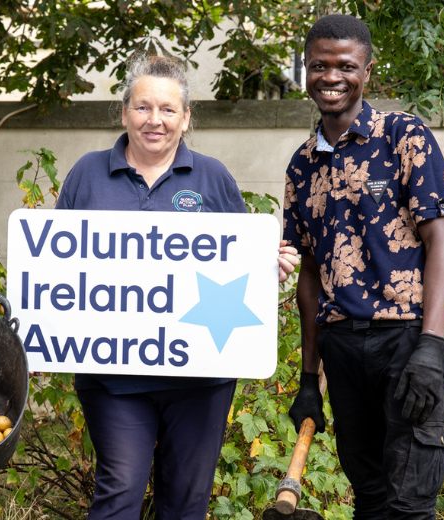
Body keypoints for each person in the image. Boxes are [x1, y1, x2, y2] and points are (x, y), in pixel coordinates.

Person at [55, 54, 299, 520]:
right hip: (113, 374)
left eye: (168, 110)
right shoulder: (86, 175)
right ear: (124, 112)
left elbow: (242, 258)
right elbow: (58, 266)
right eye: (143, 108)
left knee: (186, 500)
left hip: (201, 375)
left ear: (186, 118)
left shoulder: (212, 177)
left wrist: (272, 263)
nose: (155, 120)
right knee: (120, 491)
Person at [282, 15, 444, 519]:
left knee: (408, 502)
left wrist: (430, 346)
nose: (331, 76)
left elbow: (441, 238)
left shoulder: (404, 135)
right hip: (342, 347)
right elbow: (310, 274)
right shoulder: (301, 163)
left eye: (345, 66)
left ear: (366, 69)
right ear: (306, 70)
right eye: (319, 65)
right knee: (371, 496)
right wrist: (307, 378)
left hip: (407, 340)